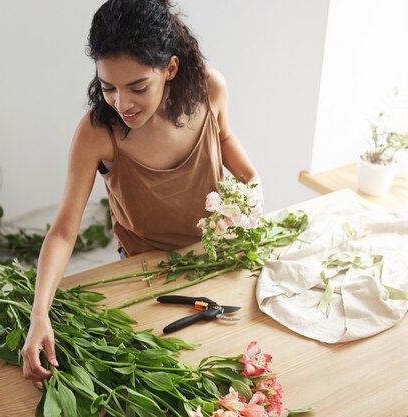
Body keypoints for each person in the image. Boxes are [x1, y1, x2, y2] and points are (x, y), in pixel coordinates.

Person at [21, 0, 261, 388]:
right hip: (144, 270)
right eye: (108, 87)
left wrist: (251, 181)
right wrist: (39, 314)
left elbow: (225, 135)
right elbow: (64, 232)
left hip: (216, 256)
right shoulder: (96, 132)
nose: (122, 104)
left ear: (170, 68)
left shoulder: (209, 88)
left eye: (137, 87)